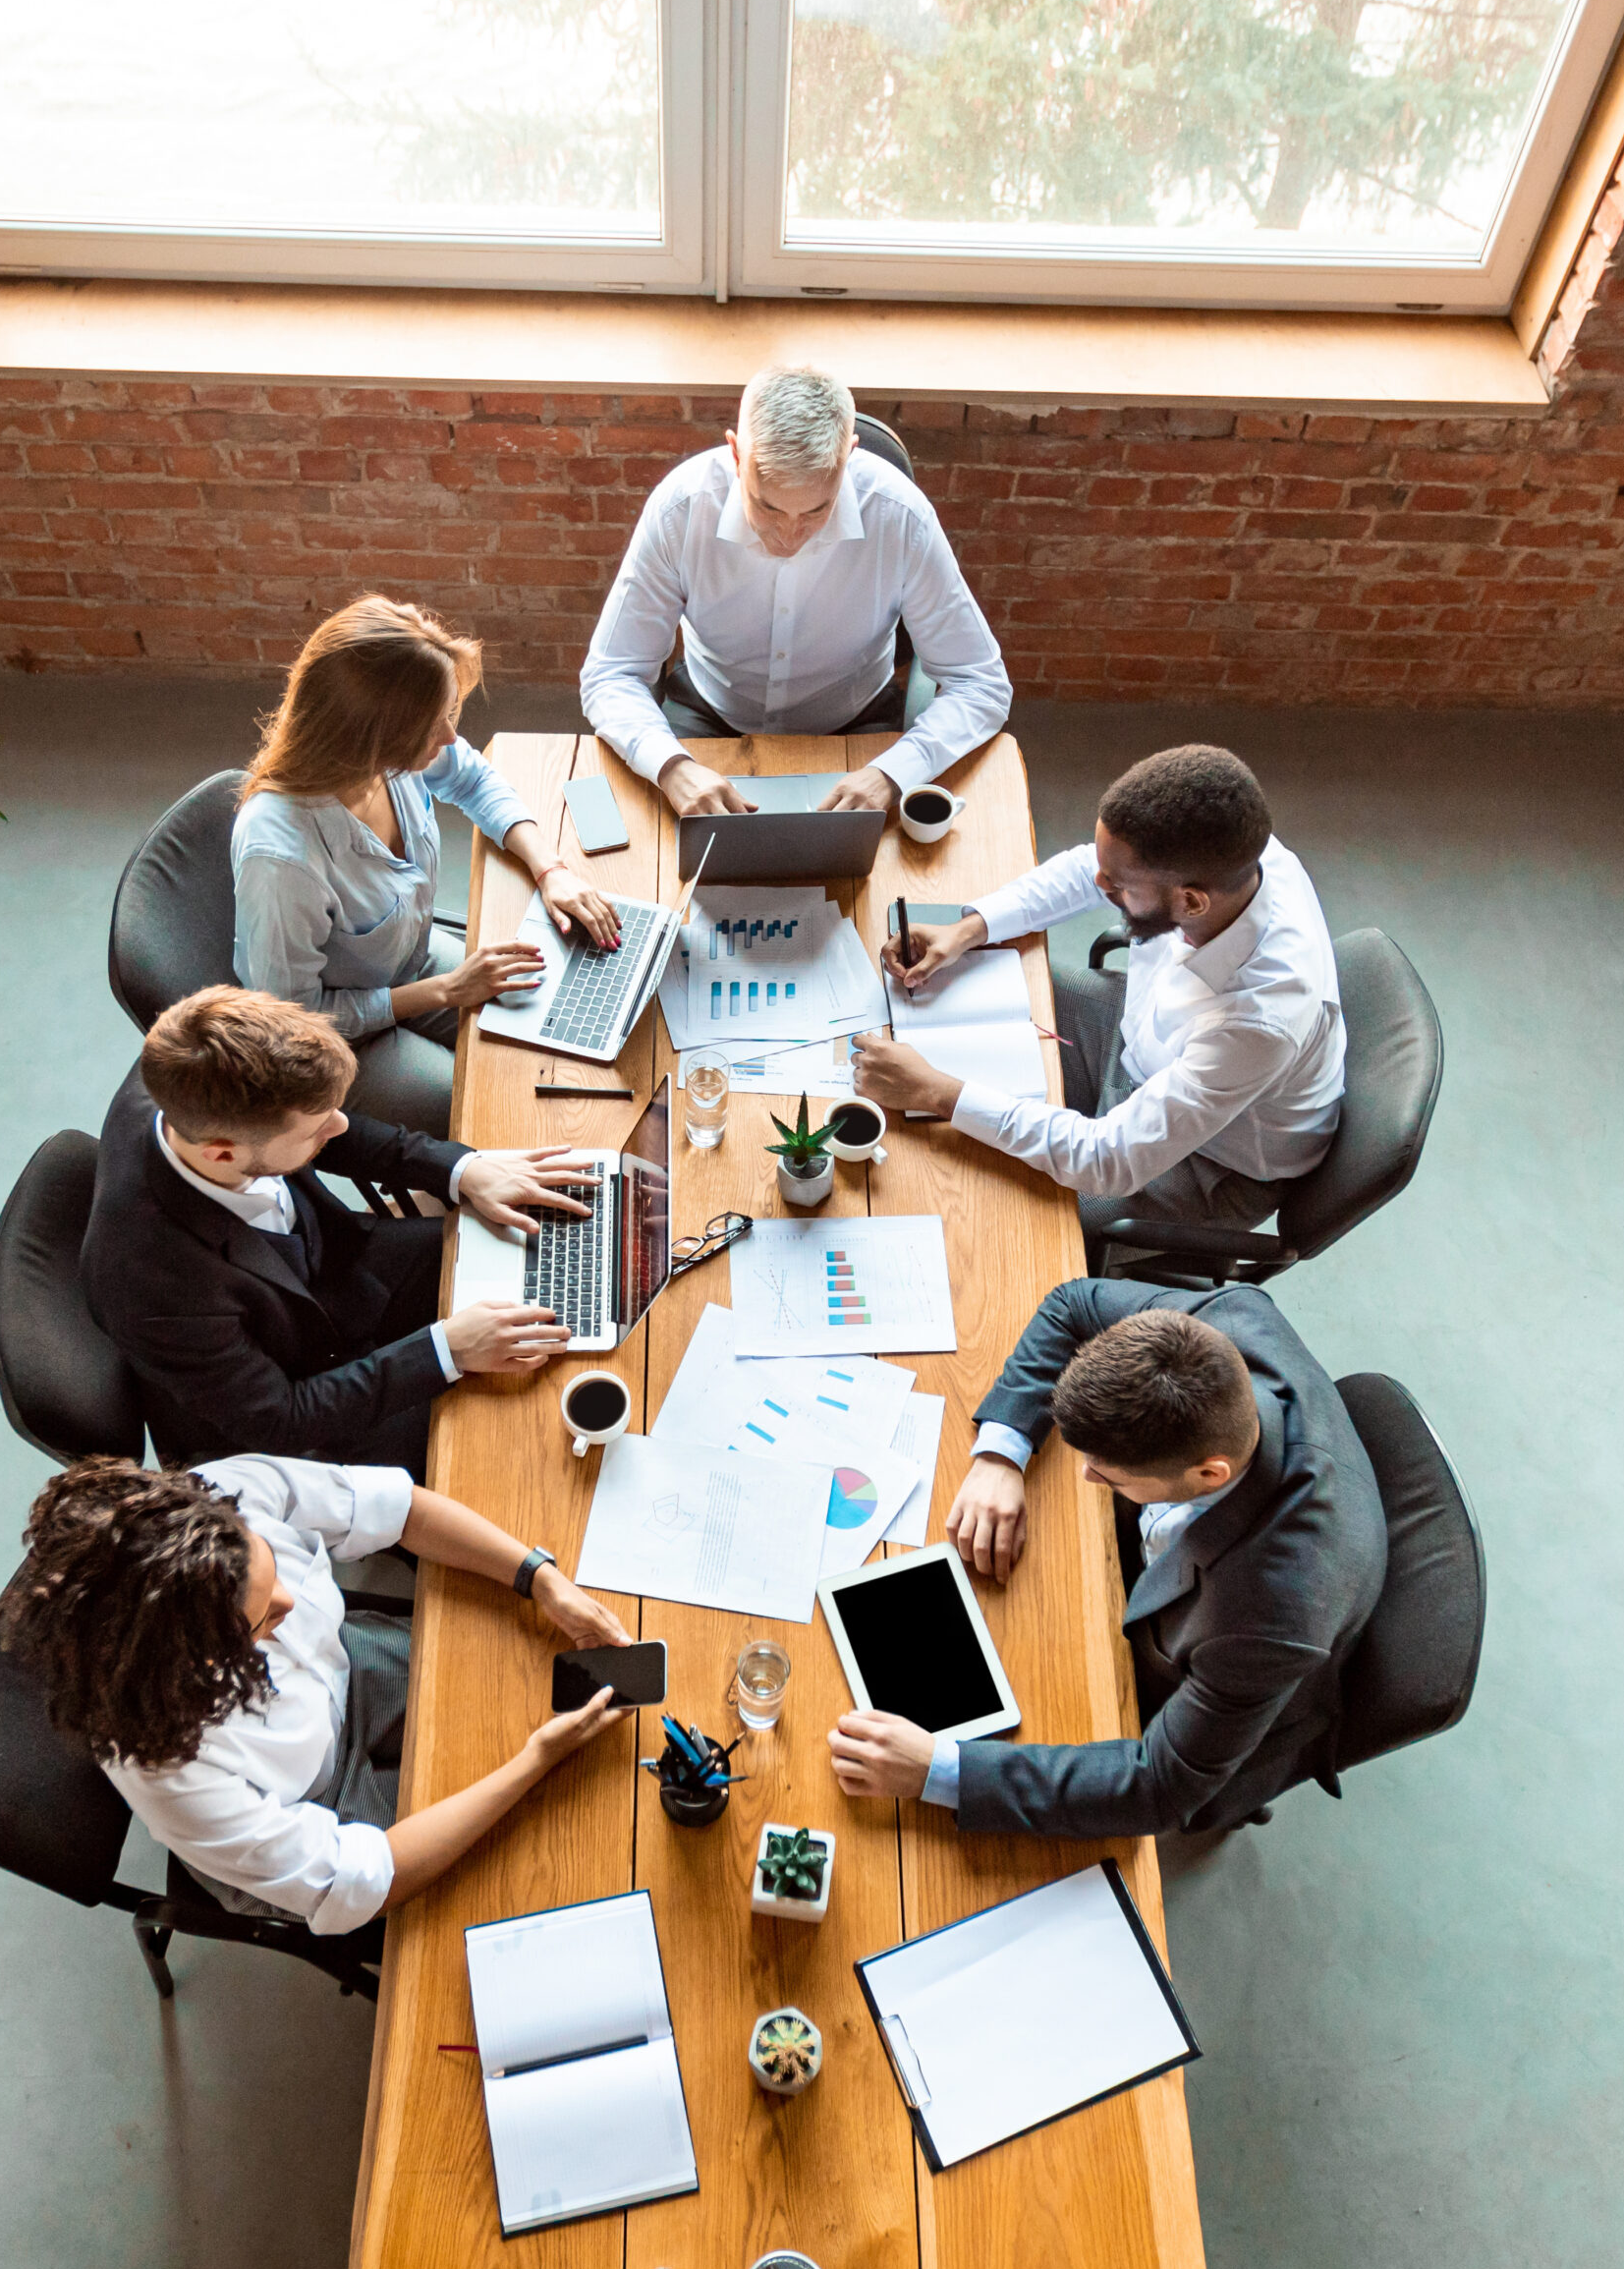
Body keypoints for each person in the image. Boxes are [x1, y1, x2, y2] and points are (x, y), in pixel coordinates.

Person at [828, 1286, 1386, 1838]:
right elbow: (1071, 1305)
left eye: (1109, 1474)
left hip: (1189, 1684)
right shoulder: (1220, 1322)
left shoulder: (1270, 1617)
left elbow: (1158, 1788)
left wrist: (939, 1771)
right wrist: (1003, 1453)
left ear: (1208, 1474)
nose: (1087, 1477)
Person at [0, 1450, 633, 1936]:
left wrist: (538, 1577)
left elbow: (400, 1508)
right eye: (259, 1621)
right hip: (317, 1804)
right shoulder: (176, 1776)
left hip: (350, 1665)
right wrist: (535, 1760)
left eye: (269, 1570)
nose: (291, 1602)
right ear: (191, 1668)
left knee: (510, 1683)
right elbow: (370, 1877)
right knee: (545, 1867)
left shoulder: (221, 1498)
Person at [851, 746, 1344, 1263]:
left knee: (1008, 1223)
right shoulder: (1233, 855)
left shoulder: (1258, 1021)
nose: (1098, 883)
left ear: (1192, 902)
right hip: (1139, 1037)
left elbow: (1107, 1159)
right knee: (984, 981)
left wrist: (934, 1091)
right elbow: (1094, 868)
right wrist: (969, 930)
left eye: (1119, 886)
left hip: (1211, 1161)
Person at [83, 985, 596, 1470]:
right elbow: (281, 1418)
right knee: (519, 1436)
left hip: (335, 1273)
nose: (341, 1126)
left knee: (538, 1252)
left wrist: (462, 1170)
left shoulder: (201, 1079)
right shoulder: (150, 1281)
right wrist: (447, 1350)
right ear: (222, 1153)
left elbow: (331, 1127)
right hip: (299, 1411)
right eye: (317, 1128)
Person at [233, 596, 620, 1133]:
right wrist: (442, 992)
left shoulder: (386, 758)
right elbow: (291, 1020)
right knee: (493, 1110)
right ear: (370, 734)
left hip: (407, 965)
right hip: (341, 1041)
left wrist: (549, 868)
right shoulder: (281, 861)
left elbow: (472, 777)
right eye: (434, 725)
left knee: (553, 1031)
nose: (449, 737)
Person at [580, 363, 1011, 819]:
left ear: (850, 456)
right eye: (767, 506)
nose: (788, 535)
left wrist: (896, 771)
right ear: (735, 454)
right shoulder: (680, 510)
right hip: (709, 714)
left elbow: (981, 684)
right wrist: (670, 767)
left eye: (816, 509)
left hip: (858, 727)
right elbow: (612, 673)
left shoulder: (901, 515)